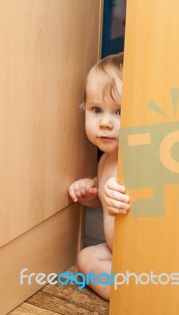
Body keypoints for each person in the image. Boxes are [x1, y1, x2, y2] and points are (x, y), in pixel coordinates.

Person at [68, 52, 130, 300]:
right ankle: (129, 295)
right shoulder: (105, 158)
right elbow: (103, 202)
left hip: (147, 253)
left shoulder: (138, 163)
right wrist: (90, 191)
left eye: (119, 112)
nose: (105, 122)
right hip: (117, 254)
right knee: (86, 258)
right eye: (96, 109)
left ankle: (140, 298)